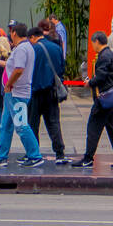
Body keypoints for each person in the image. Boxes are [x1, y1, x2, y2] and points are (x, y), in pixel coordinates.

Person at [0, 22, 44, 168]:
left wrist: (9, 84)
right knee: (6, 125)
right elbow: (16, 66)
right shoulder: (25, 47)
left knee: (21, 125)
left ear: (14, 33)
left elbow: (19, 69)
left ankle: (35, 155)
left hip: (16, 92)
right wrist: (3, 64)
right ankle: (1, 156)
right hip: (13, 93)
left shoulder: (21, 49)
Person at [72, 31, 113, 169]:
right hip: (111, 97)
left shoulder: (103, 56)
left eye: (92, 43)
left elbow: (101, 76)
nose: (92, 46)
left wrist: (90, 82)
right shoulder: (111, 54)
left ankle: (88, 158)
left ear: (97, 41)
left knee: (93, 127)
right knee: (112, 128)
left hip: (103, 99)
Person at [27, 22, 67, 164]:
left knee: (33, 123)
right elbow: (62, 68)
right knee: (53, 123)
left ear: (32, 37)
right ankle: (60, 153)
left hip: (36, 91)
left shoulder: (33, 50)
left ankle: (34, 152)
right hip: (52, 91)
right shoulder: (57, 48)